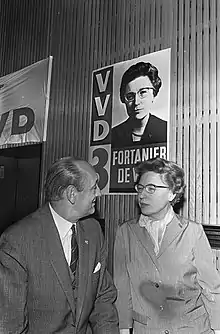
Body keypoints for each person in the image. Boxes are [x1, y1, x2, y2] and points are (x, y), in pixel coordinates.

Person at [0, 157, 119, 333]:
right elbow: (10, 324)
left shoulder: (93, 230)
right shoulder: (17, 241)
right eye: (94, 188)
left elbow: (103, 299)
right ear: (72, 194)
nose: (99, 193)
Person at [114, 157, 220, 334]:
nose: (142, 195)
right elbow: (122, 289)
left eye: (151, 188)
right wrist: (124, 329)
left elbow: (211, 288)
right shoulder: (126, 233)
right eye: (140, 188)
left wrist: (217, 329)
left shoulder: (192, 231)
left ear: (172, 193)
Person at [111, 62, 167, 149]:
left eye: (143, 93)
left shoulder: (165, 129)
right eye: (130, 96)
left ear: (153, 94)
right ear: (123, 99)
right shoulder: (113, 134)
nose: (136, 102)